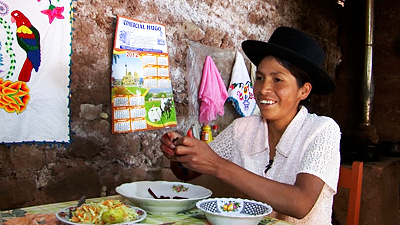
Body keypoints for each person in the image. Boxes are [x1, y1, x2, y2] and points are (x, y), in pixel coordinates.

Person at [160, 26, 341, 225]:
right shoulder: (243, 129)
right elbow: (189, 172)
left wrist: (217, 165)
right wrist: (179, 152)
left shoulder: (322, 130)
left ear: (303, 91)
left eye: (278, 79)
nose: (263, 89)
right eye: (260, 78)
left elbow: (299, 204)